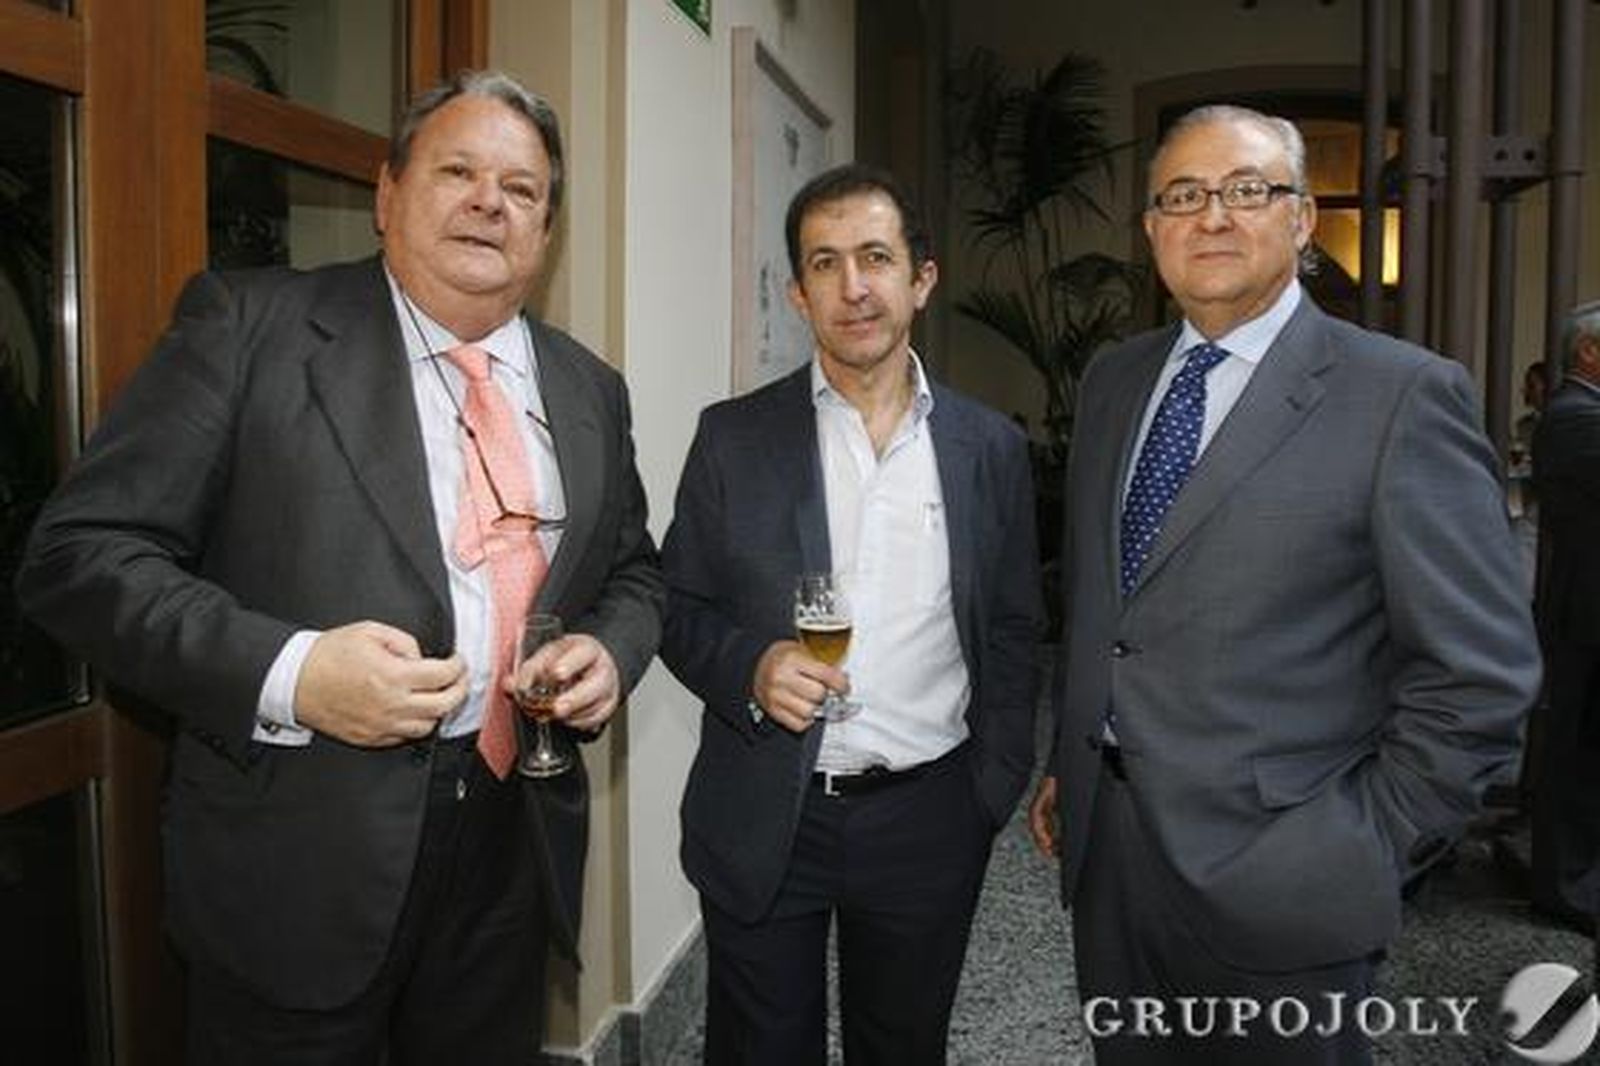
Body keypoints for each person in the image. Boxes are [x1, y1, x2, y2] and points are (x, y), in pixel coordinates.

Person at [17, 70, 662, 1065]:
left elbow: (634, 575)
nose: (490, 201)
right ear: (386, 194)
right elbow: (79, 557)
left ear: (544, 232)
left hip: (509, 852)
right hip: (299, 866)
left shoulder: (589, 389)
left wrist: (610, 653)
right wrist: (296, 673)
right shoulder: (249, 330)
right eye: (458, 170)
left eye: (522, 188)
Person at [1027, 104, 1540, 1065]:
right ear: (1150, 231)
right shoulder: (1113, 381)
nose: (1211, 216)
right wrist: (1075, 750)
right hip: (1112, 861)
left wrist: (1363, 849)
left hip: (1288, 883)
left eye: (1246, 189)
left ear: (1301, 221)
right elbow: (1110, 602)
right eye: (1181, 195)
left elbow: (1482, 674)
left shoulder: (1399, 396)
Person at [660, 163, 1044, 1065]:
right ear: (798, 294)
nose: (854, 286)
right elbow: (675, 605)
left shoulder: (989, 449)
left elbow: (1015, 627)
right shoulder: (732, 438)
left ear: (922, 277)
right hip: (766, 811)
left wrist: (992, 786)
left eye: (876, 257)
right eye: (824, 264)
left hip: (928, 812)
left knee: (902, 1047)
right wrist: (750, 666)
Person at [1530, 301, 1600, 933]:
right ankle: (1566, 886)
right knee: (1576, 755)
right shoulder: (1576, 417)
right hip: (1585, 612)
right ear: (1588, 353)